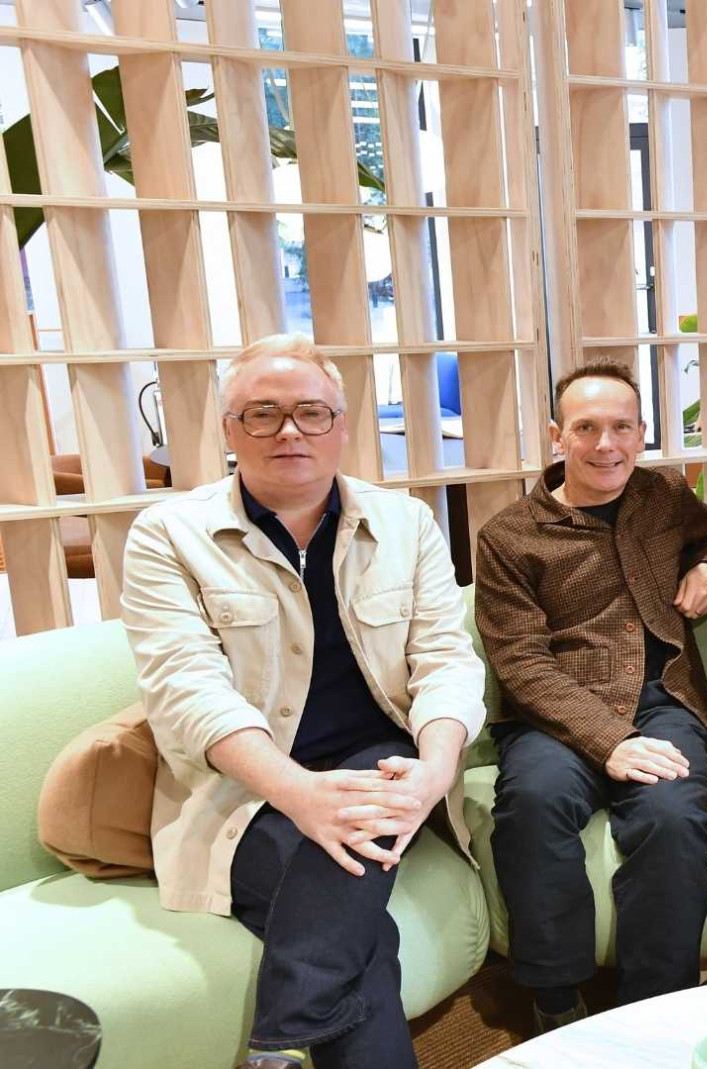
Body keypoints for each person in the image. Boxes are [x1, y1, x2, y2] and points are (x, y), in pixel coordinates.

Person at [120, 334, 487, 1069]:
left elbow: (445, 659)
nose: (290, 430)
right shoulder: (168, 535)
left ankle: (281, 1040)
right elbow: (188, 689)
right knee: (361, 930)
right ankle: (287, 1035)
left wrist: (438, 768)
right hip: (246, 785)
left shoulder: (405, 522)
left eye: (312, 413)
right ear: (230, 430)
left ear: (341, 426)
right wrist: (300, 795)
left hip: (381, 757)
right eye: (263, 413)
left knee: (345, 872)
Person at [474, 363, 707, 1030]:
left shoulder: (665, 494)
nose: (605, 444)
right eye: (586, 428)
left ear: (642, 433)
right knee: (532, 801)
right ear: (559, 436)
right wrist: (608, 740)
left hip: (662, 695)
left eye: (621, 426)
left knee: (673, 814)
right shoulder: (508, 535)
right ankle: (556, 998)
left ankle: (656, 1009)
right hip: (553, 711)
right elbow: (520, 662)